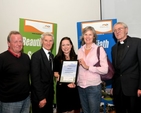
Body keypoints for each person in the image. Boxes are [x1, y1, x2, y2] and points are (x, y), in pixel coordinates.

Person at [111, 22, 141, 113]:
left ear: (126, 30)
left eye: (120, 29)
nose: (117, 32)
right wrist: (113, 86)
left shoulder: (137, 42)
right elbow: (115, 70)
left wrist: (140, 87)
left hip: (133, 88)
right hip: (118, 89)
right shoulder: (114, 48)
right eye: (115, 30)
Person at [77, 26, 108, 113]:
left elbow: (105, 69)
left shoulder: (99, 49)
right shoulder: (79, 50)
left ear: (94, 36)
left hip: (93, 86)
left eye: (90, 34)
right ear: (83, 36)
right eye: (86, 34)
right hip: (81, 87)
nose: (88, 37)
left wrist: (88, 67)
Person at [0, 31, 31, 113]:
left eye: (20, 41)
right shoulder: (2, 58)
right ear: (9, 43)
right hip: (9, 103)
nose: (19, 44)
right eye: (15, 41)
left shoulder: (26, 57)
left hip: (26, 99)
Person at [53, 37, 81, 113]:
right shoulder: (57, 58)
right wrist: (57, 75)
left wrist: (75, 83)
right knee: (63, 110)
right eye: (63, 45)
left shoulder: (77, 57)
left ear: (71, 46)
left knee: (73, 110)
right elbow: (55, 72)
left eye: (68, 45)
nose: (65, 47)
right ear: (60, 47)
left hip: (73, 87)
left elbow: (79, 73)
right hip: (62, 89)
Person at [31, 32, 54, 113]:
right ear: (41, 41)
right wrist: (41, 98)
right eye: (46, 40)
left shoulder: (51, 56)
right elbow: (35, 79)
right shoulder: (36, 56)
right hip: (40, 98)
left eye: (50, 41)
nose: (48, 43)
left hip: (49, 96)